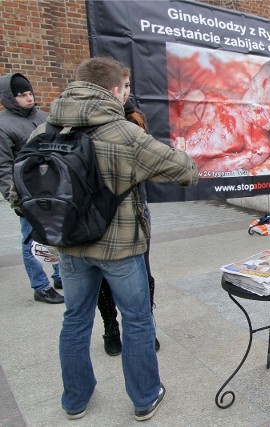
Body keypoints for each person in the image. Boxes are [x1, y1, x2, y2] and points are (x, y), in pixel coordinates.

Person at [11, 57, 198, 421]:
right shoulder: (124, 133)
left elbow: (17, 194)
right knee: (138, 320)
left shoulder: (43, 130)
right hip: (120, 249)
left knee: (75, 319)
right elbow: (186, 172)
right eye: (124, 89)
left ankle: (75, 400)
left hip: (69, 247)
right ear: (114, 90)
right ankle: (144, 398)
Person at [97, 97, 159, 356]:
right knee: (103, 276)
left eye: (127, 87)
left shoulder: (134, 120)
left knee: (142, 273)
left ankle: (146, 327)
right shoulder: (85, 122)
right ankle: (111, 327)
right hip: (97, 210)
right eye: (123, 86)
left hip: (135, 208)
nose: (126, 92)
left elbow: (153, 161)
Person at [0, 73, 64, 304]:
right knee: (31, 240)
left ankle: (59, 276)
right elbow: (4, 167)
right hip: (27, 193)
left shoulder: (43, 117)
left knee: (55, 233)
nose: (28, 98)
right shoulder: (3, 125)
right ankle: (40, 286)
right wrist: (13, 199)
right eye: (21, 95)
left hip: (53, 189)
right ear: (9, 97)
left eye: (29, 93)